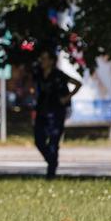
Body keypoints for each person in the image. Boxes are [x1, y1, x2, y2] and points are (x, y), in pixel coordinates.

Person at [33, 48, 81, 179]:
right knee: (39, 140)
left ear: (51, 61)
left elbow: (77, 83)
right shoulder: (39, 74)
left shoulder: (59, 75)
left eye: (45, 58)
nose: (42, 61)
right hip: (42, 111)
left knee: (54, 142)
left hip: (56, 111)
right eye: (41, 58)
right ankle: (52, 162)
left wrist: (67, 97)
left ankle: (51, 172)